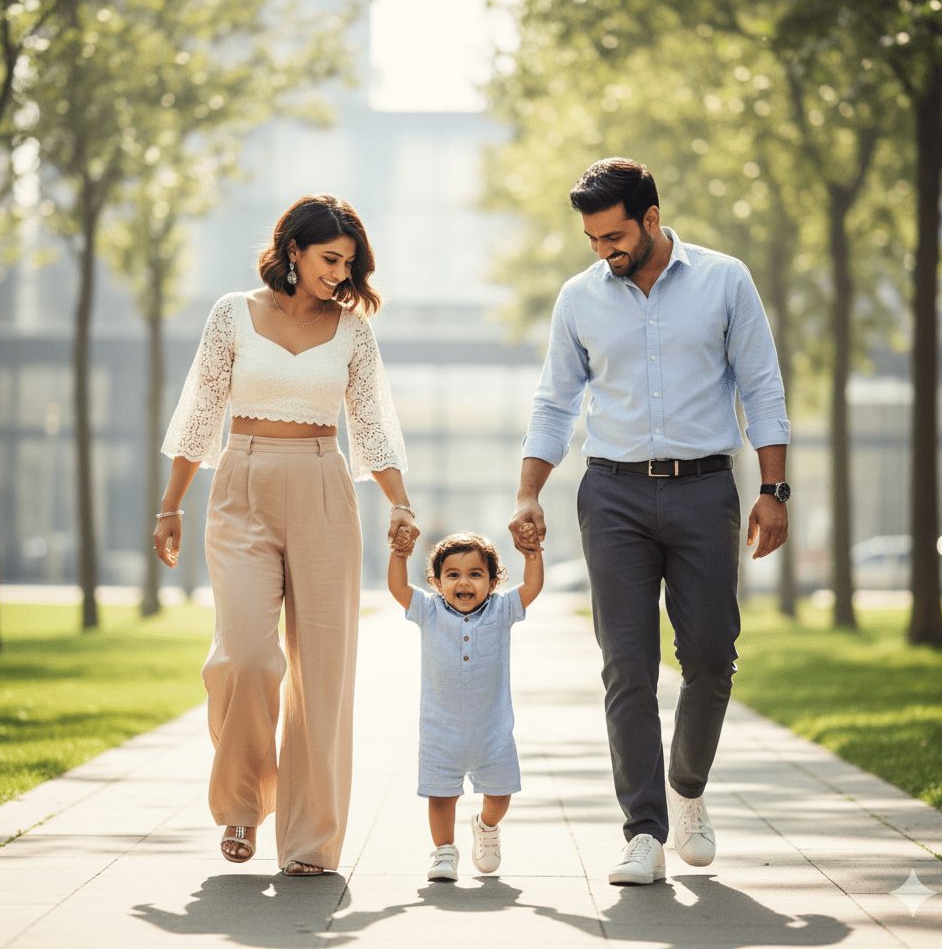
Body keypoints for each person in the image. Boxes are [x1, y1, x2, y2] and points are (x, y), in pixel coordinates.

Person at [508, 158, 790, 886]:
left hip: (704, 491)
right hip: (613, 497)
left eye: (613, 235)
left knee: (708, 656)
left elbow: (761, 384)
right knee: (626, 666)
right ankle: (643, 831)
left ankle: (687, 791)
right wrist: (528, 493)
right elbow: (554, 402)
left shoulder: (726, 280)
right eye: (592, 238)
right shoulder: (579, 298)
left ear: (652, 217)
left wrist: (774, 489)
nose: (603, 250)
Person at [154, 194, 418, 876]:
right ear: (293, 250)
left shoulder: (353, 331)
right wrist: (171, 505)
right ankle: (242, 801)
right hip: (241, 486)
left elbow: (372, 424)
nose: (339, 273)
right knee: (244, 655)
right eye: (330, 259)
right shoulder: (232, 314)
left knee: (322, 674)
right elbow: (201, 410)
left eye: (348, 264)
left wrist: (398, 503)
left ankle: (310, 844)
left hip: (325, 489)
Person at [387, 528, 544, 882]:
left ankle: (486, 826)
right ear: (437, 582)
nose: (464, 582)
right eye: (453, 575)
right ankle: (444, 851)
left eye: (476, 574)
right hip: (440, 731)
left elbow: (531, 588)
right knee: (441, 798)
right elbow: (398, 589)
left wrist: (532, 553)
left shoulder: (502, 609)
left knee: (501, 794)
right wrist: (399, 553)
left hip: (493, 731)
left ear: (492, 582)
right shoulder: (428, 611)